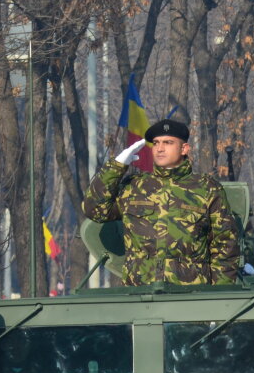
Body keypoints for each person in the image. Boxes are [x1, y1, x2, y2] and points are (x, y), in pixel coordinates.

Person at [83, 119, 240, 286]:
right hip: (140, 291)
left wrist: (219, 295)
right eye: (156, 143)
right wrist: (116, 167)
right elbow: (94, 209)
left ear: (184, 148)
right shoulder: (134, 187)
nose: (160, 148)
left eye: (168, 142)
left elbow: (225, 243)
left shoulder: (206, 188)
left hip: (191, 294)